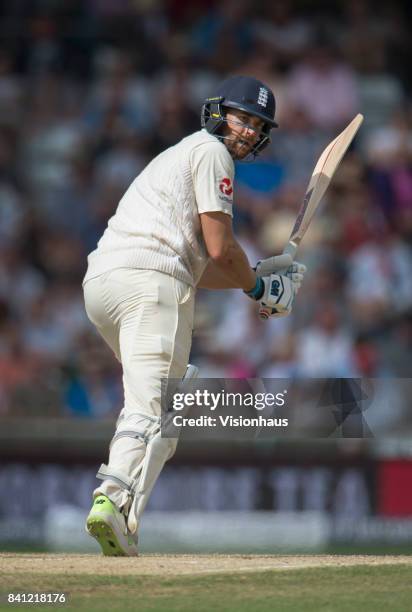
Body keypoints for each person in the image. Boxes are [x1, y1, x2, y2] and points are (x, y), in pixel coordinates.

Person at [82, 75, 306, 556]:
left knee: (165, 401)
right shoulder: (212, 153)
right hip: (149, 283)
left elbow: (200, 269)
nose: (247, 131)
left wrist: (262, 281)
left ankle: (125, 521)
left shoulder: (181, 155)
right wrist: (261, 286)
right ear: (219, 111)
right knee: (152, 404)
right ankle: (110, 498)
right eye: (242, 118)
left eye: (257, 125)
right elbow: (221, 249)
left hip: (106, 283)